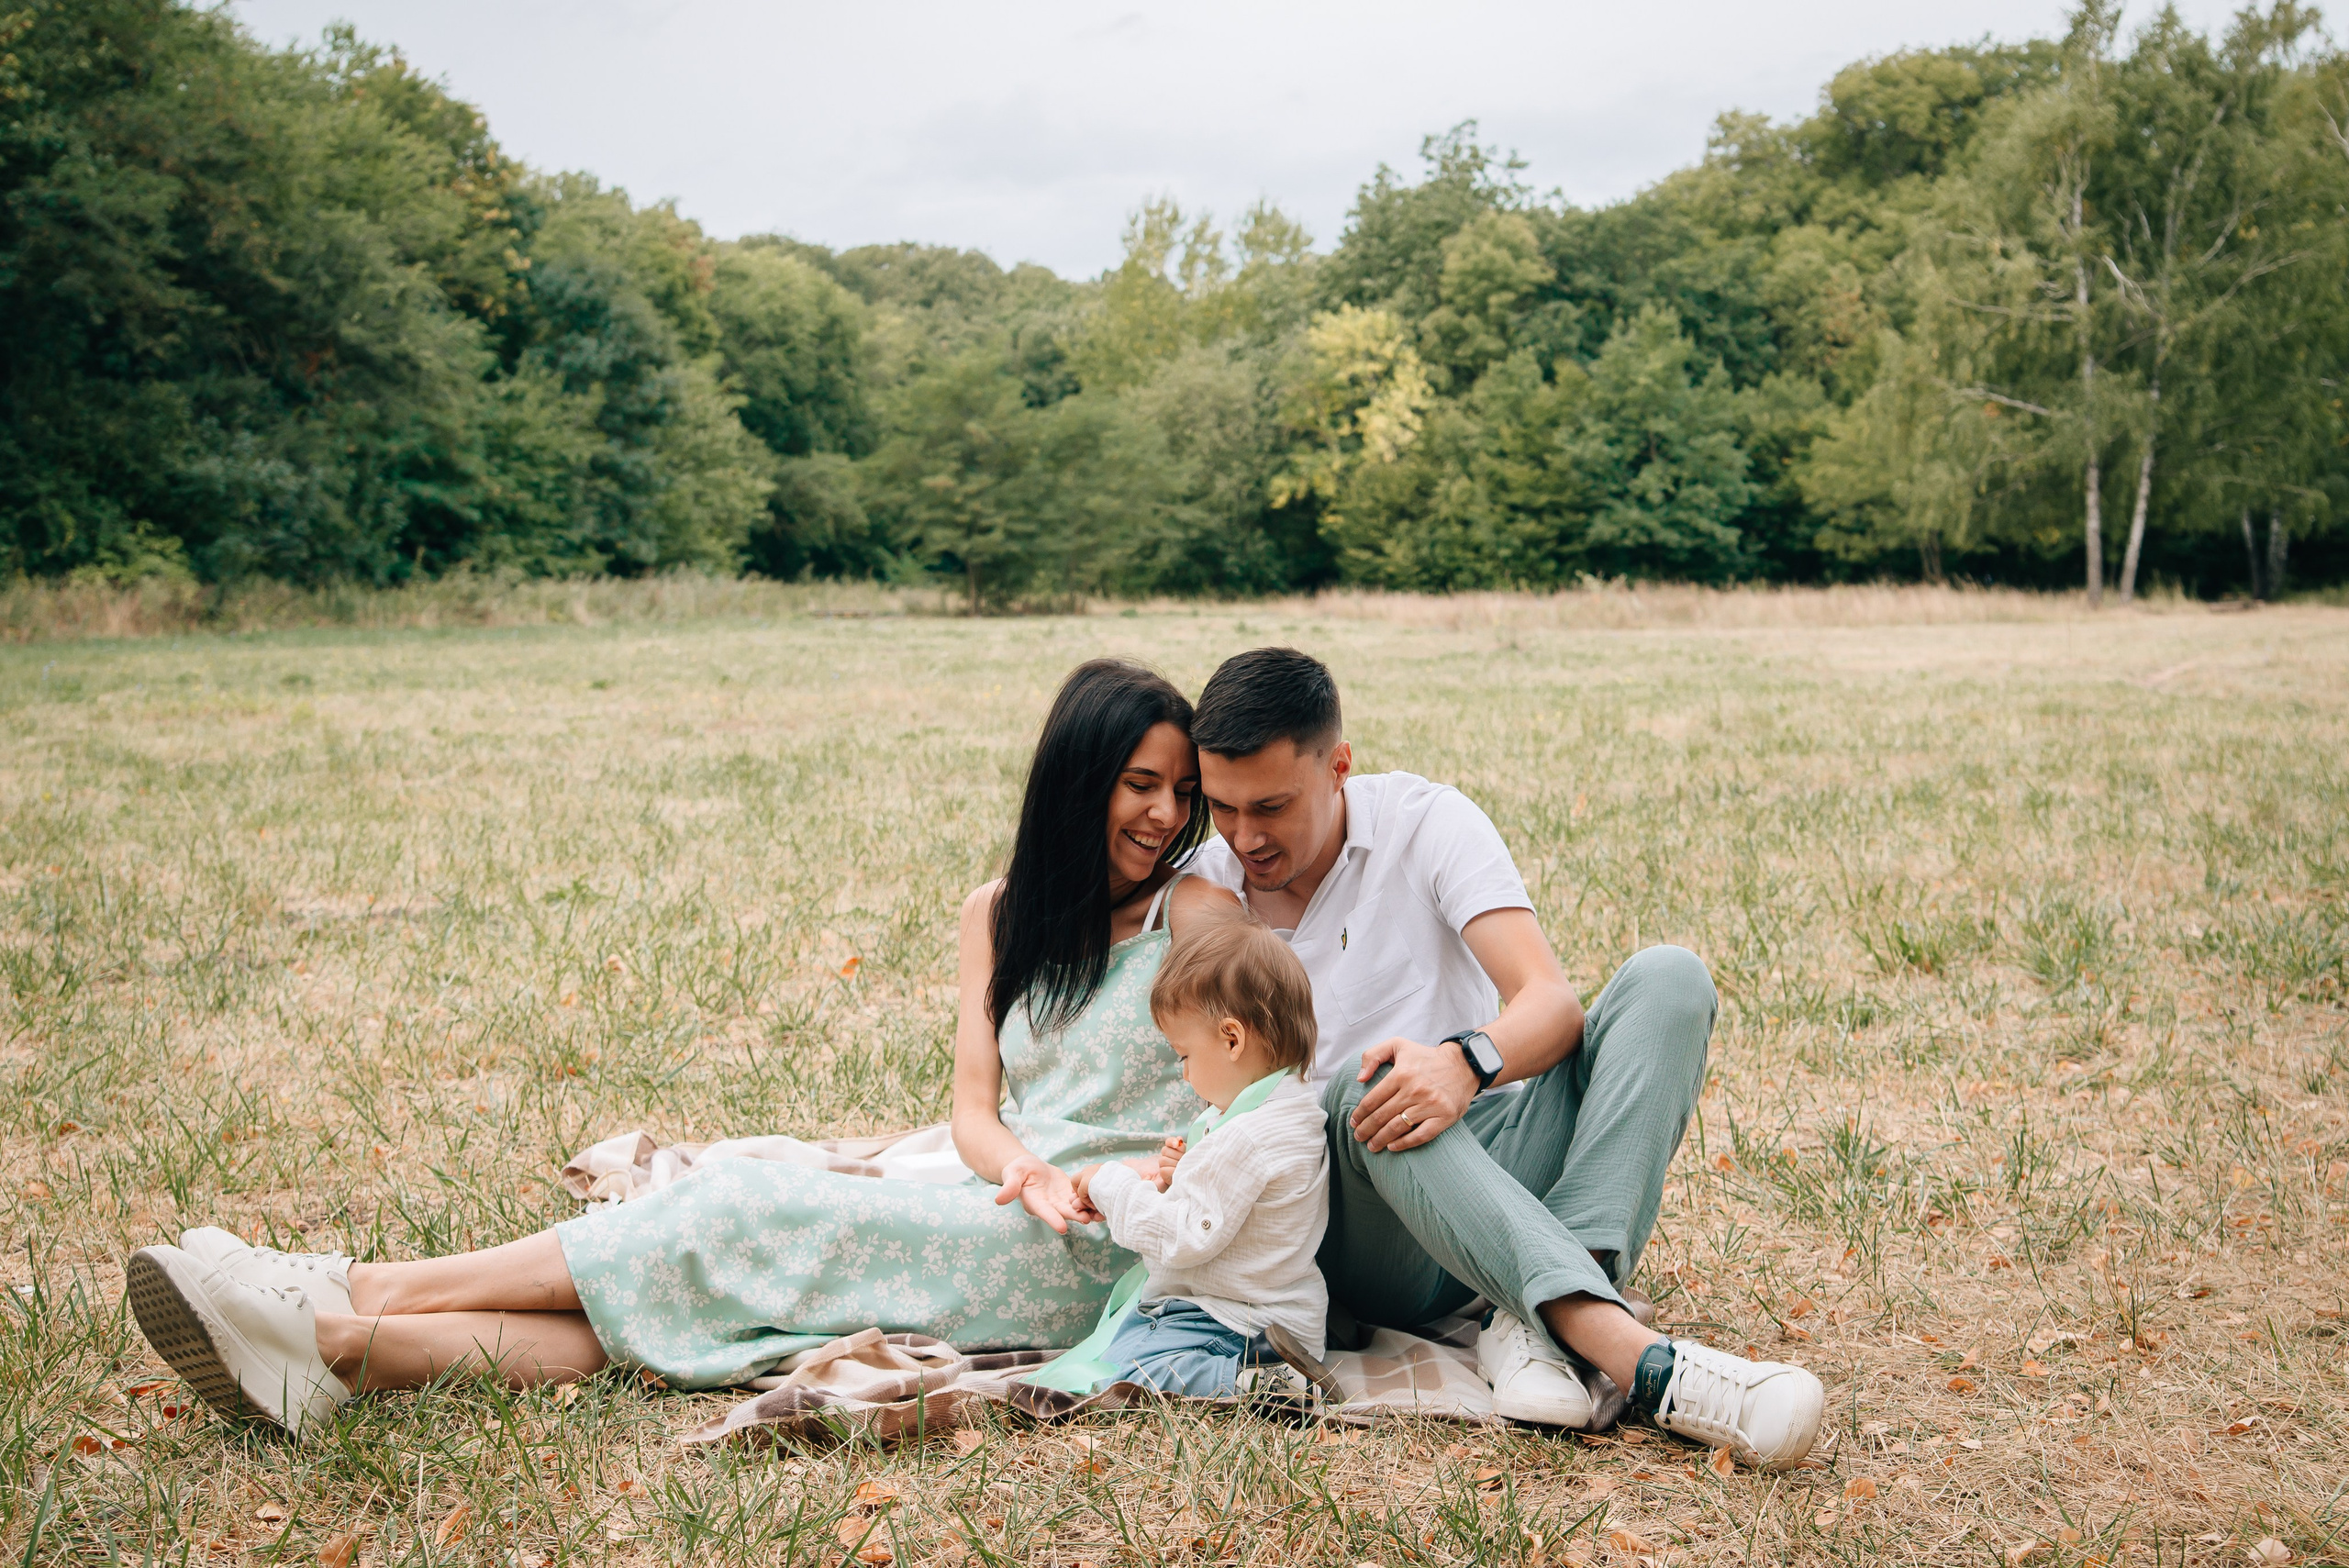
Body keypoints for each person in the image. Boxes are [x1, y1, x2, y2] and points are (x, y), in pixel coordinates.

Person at [121, 658, 1246, 1436]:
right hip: (1008, 1195)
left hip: (1096, 1241)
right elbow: (972, 1110)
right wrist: (1019, 1168)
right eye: (1137, 783)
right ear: (1074, 777)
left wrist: (1140, 1176)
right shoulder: (997, 912)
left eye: (1179, 793)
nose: (1161, 814)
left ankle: (343, 1283)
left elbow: (1253, 1079)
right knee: (715, 1302)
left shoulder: (1193, 917)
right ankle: (339, 1343)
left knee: (736, 1206)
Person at [1185, 647, 1825, 1469]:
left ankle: (1537, 1317)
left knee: (1669, 978)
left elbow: (1550, 1004)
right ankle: (1638, 1358)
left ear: (1339, 766)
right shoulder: (1207, 889)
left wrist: (1465, 1062)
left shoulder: (1426, 822)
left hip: (1484, 1153)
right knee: (1365, 1086)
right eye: (1222, 808)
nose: (1244, 836)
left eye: (1270, 806)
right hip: (1350, 1219)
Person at [1064, 908, 1330, 1400]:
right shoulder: (1288, 1108)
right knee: (1125, 1344)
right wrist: (1185, 1175)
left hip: (1232, 1318)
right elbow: (1240, 1205)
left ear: (1232, 1039)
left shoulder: (1246, 1136)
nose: (1184, 1075)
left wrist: (1113, 1182)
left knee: (1124, 1371)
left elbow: (1186, 1237)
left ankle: (1250, 1382)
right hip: (1276, 1312)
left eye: (1183, 1055)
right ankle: (1271, 1367)